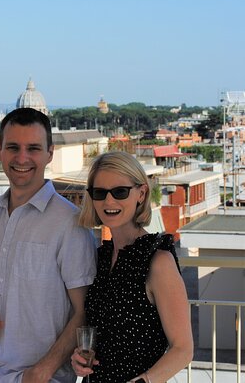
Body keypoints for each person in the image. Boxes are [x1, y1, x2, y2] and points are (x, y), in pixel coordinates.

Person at [0, 107, 97, 383]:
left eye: (33, 148)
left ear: (50, 153)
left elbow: (84, 311)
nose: (22, 158)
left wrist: (42, 371)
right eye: (13, 147)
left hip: (44, 378)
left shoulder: (70, 223)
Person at [70, 151, 193, 382]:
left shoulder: (157, 261)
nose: (109, 201)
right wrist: (79, 357)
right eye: (99, 193)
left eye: (120, 192)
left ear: (141, 193)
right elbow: (104, 334)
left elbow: (183, 350)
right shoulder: (102, 258)